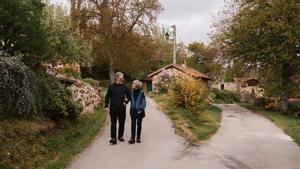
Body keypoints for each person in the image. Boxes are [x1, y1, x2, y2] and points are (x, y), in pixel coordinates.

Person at [105, 72, 131, 145]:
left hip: (122, 108)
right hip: (113, 108)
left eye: (123, 77)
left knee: (121, 123)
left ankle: (120, 136)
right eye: (122, 77)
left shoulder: (125, 87)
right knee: (113, 123)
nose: (123, 78)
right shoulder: (111, 87)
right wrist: (106, 106)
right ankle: (113, 138)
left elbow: (129, 96)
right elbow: (107, 96)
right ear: (117, 77)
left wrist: (126, 102)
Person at [128, 80, 146, 144]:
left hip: (139, 111)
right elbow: (129, 98)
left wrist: (140, 109)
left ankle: (138, 138)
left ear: (137, 85)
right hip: (133, 110)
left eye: (133, 83)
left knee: (139, 124)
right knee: (133, 124)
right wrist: (125, 101)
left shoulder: (141, 92)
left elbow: (144, 102)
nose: (132, 84)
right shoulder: (131, 91)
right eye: (132, 83)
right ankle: (132, 138)